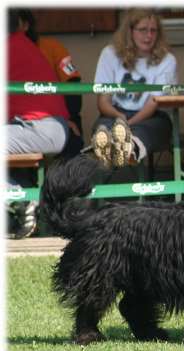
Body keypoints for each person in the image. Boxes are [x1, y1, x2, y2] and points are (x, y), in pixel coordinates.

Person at [7, 10, 70, 239]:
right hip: (41, 126)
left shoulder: (9, 47)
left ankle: (20, 196)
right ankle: (20, 199)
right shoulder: (20, 44)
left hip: (41, 127)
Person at [90, 8, 177, 168]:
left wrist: (127, 125)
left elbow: (154, 102)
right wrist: (119, 117)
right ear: (129, 31)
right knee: (102, 127)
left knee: (146, 131)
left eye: (153, 31)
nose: (149, 36)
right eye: (143, 30)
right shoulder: (109, 54)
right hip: (116, 113)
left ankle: (127, 150)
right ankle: (108, 148)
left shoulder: (167, 60)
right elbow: (103, 101)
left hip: (152, 115)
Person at [15, 9, 84, 158]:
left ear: (25, 25)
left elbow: (72, 83)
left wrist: (67, 118)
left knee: (73, 137)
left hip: (56, 116)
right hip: (19, 119)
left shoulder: (52, 47)